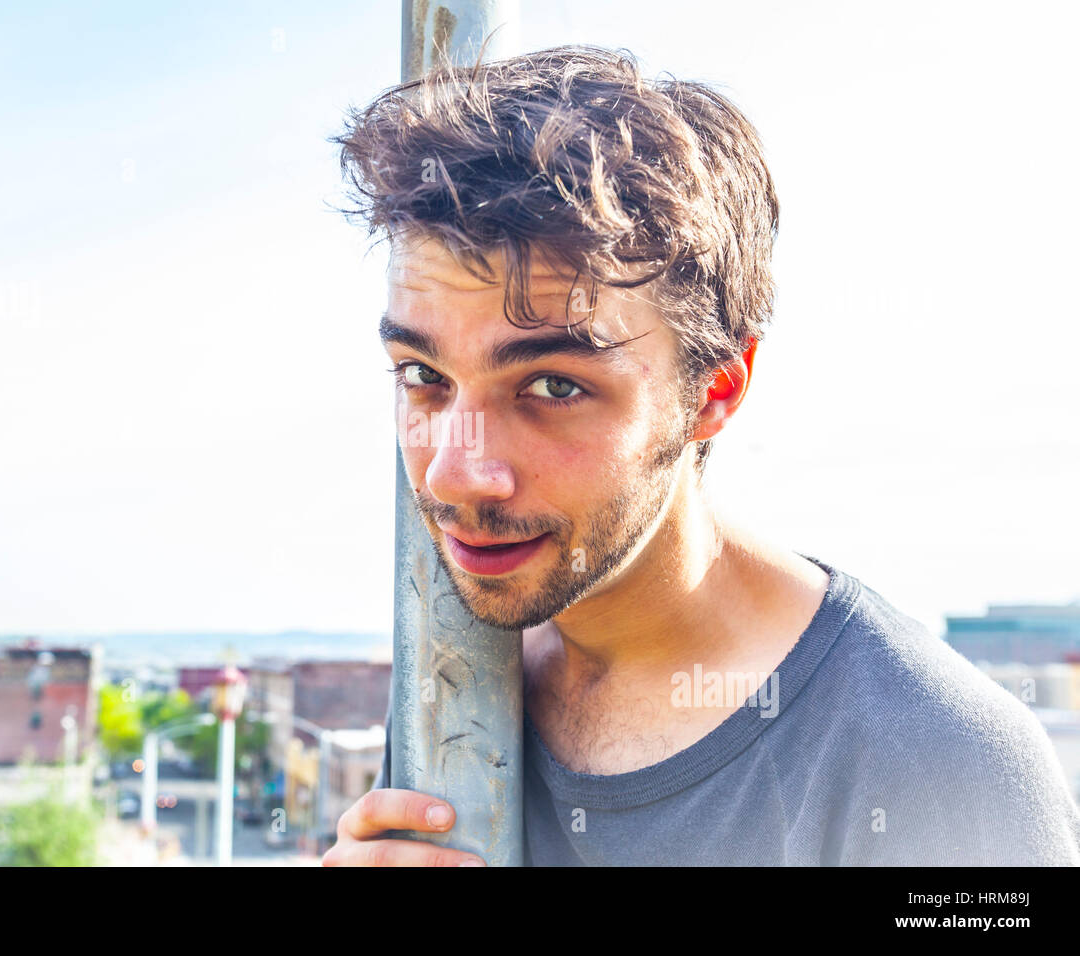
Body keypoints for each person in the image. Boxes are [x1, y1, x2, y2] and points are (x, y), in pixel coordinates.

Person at [321, 44, 1080, 866]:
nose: (454, 472)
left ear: (714, 389)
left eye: (552, 387)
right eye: (423, 376)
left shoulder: (941, 767)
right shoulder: (451, 690)